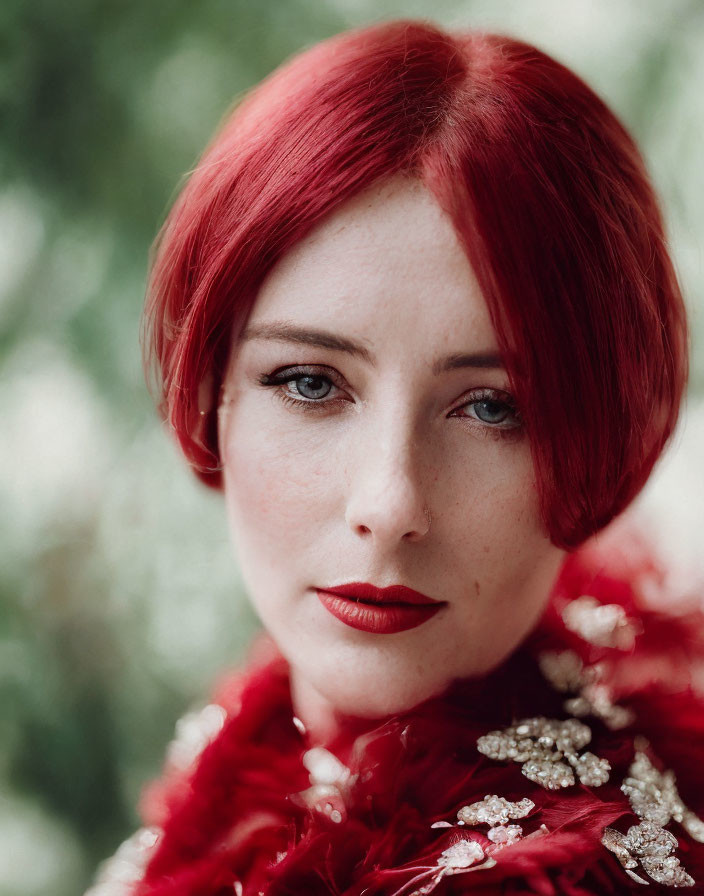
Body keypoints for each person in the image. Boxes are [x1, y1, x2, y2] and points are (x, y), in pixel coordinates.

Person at [87, 19, 704, 895]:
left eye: (492, 407)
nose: (390, 501)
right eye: (308, 383)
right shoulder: (256, 750)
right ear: (212, 385)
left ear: (598, 428)